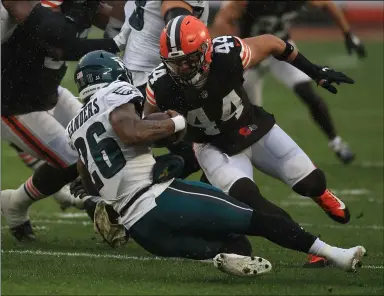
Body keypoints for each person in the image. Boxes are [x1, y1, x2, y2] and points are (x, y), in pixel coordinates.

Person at [67, 50, 365, 276]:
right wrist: (181, 120)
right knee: (257, 219)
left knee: (238, 246)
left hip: (143, 230)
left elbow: (89, 179)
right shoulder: (114, 94)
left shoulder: (75, 125)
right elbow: (131, 131)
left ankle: (223, 258)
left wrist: (105, 198)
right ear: (109, 75)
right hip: (161, 200)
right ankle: (336, 254)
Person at [143, 16, 355, 267]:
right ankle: (311, 244)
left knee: (310, 181)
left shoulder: (229, 54)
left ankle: (320, 193)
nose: (185, 68)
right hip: (214, 148)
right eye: (177, 63)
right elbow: (149, 124)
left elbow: (274, 43)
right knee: (252, 203)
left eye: (190, 59)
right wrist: (175, 148)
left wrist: (314, 71)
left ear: (207, 51)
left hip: (252, 127)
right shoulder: (161, 85)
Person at [1, 0, 129, 240]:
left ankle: (15, 203)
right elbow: (62, 43)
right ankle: (16, 203)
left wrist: (127, 20)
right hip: (14, 105)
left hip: (51, 94)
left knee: (100, 140)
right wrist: (115, 42)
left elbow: (117, 18)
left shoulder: (83, 5)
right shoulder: (42, 8)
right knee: (72, 162)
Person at [211, 0, 366, 164]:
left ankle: (336, 142)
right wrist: (231, 52)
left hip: (281, 48)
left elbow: (328, 4)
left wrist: (348, 34)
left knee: (308, 93)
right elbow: (223, 20)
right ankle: (228, 155)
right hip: (252, 51)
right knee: (245, 112)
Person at [121, 0, 210, 179]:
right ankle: (136, 190)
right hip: (155, 79)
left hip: (146, 74)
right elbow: (178, 35)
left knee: (208, 149)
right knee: (206, 150)